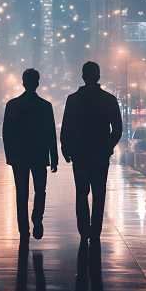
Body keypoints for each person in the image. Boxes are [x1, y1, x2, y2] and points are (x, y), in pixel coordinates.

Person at [60, 61, 122, 244]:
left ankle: (84, 230)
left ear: (83, 76)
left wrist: (67, 147)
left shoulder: (73, 99)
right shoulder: (109, 100)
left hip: (80, 153)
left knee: (81, 192)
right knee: (99, 192)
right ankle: (95, 230)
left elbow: (66, 127)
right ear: (98, 76)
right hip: (100, 154)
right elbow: (117, 129)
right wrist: (107, 146)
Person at [3, 69, 58, 243]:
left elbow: (7, 133)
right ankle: (37, 218)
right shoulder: (45, 106)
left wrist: (10, 155)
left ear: (23, 82)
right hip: (39, 154)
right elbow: (51, 133)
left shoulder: (12, 105)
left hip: (19, 156)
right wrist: (54, 157)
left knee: (21, 192)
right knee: (40, 190)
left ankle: (23, 230)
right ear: (37, 83)